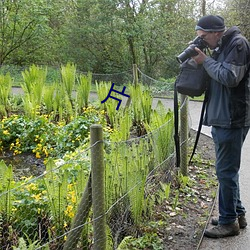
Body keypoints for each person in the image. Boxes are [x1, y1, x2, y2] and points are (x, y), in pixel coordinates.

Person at [192, 15, 250, 238]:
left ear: (216, 32)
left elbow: (229, 77)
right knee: (227, 171)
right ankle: (237, 214)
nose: (203, 41)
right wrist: (202, 59)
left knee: (225, 171)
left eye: (204, 37)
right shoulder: (221, 46)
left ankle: (228, 223)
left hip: (232, 118)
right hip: (222, 117)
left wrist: (205, 61)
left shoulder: (238, 44)